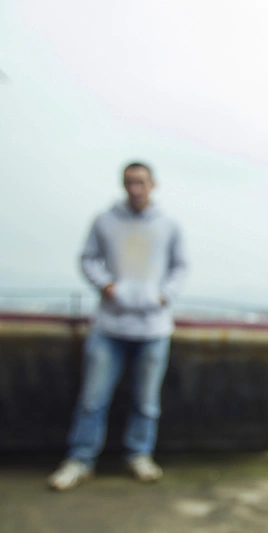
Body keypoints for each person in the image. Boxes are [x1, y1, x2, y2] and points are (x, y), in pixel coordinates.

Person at [48, 162, 187, 491]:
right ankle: (80, 459)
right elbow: (88, 258)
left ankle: (139, 454)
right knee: (92, 399)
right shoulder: (105, 220)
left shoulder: (168, 224)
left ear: (153, 184)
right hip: (109, 327)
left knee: (147, 401)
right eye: (129, 182)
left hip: (153, 329)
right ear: (123, 185)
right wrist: (106, 286)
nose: (135, 188)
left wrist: (164, 296)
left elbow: (181, 266)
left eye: (140, 182)